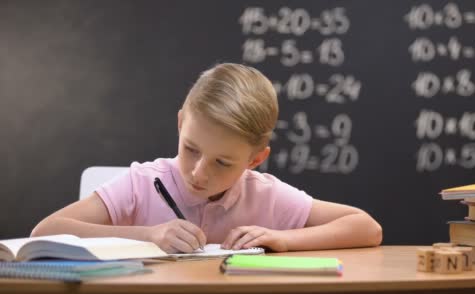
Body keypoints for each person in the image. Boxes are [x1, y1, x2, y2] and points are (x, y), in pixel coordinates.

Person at [31, 63, 382, 253]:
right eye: (191, 149)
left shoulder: (264, 194)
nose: (198, 173)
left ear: (255, 160)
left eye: (223, 163)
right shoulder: (143, 183)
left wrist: (285, 239)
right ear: (182, 123)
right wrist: (149, 235)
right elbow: (45, 231)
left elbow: (367, 228)